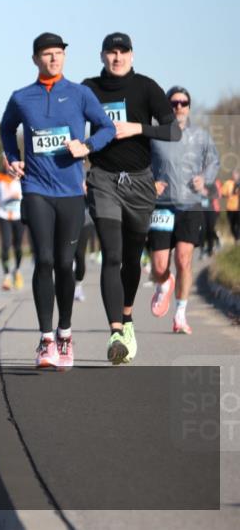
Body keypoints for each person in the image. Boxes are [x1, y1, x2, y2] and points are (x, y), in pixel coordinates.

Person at [0, 32, 115, 368]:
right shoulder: (22, 97)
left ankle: (65, 334)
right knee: (45, 260)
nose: (53, 59)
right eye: (47, 54)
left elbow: (106, 128)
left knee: (66, 264)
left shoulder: (80, 94)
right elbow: (6, 129)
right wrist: (13, 156)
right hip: (36, 188)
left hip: (70, 192)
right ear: (35, 59)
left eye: (58, 54)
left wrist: (88, 147)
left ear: (64, 57)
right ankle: (45, 339)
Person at [82, 32, 181, 365]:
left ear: (132, 56)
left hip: (140, 182)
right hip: (103, 179)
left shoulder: (146, 87)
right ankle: (114, 331)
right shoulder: (89, 89)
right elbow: (70, 128)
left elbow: (173, 131)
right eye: (111, 52)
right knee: (111, 253)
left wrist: (138, 128)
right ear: (102, 56)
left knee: (131, 257)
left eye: (123, 51)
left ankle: (127, 318)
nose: (117, 57)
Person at [149, 86, 220, 335]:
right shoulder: (154, 135)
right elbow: (139, 163)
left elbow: (213, 160)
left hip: (189, 205)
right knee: (159, 266)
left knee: (183, 259)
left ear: (189, 106)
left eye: (183, 102)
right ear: (167, 106)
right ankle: (164, 282)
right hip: (161, 206)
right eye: (174, 103)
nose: (178, 107)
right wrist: (150, 182)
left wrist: (205, 178)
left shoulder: (200, 136)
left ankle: (180, 314)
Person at [0, 166, 25, 291]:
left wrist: (18, 195)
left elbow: (28, 192)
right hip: (3, 214)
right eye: (4, 160)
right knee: (5, 244)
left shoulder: (22, 175)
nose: (7, 163)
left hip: (18, 215)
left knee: (18, 246)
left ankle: (17, 271)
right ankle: (6, 275)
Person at [223, 169, 240, 243]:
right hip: (230, 207)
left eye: (236, 174)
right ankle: (236, 238)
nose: (234, 176)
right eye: (233, 174)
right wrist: (227, 195)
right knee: (232, 224)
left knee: (238, 223)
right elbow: (222, 193)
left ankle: (238, 239)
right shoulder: (228, 183)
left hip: (238, 207)